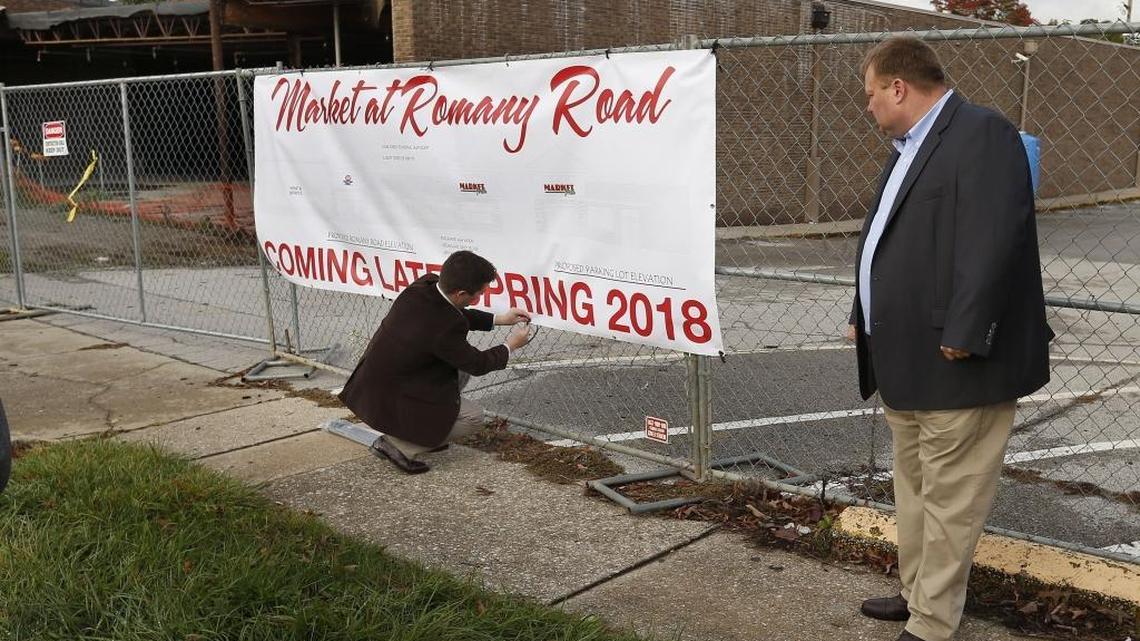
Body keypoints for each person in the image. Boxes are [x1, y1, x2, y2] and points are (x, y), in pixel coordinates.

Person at [846, 37, 1053, 641]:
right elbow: (886, 238)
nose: (870, 108)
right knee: (913, 490)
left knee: (950, 503)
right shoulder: (910, 147)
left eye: (871, 95)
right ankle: (915, 595)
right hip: (906, 359)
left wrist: (968, 328)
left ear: (898, 88)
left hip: (957, 359)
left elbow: (996, 238)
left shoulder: (982, 134)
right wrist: (863, 306)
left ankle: (933, 624)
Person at [339, 250, 532, 474]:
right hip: (393, 395)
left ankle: (424, 430)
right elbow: (478, 363)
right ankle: (400, 445)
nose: (479, 299)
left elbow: (454, 314)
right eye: (478, 294)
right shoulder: (444, 327)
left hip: (375, 383)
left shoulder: (425, 286)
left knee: (459, 373)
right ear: (460, 293)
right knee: (473, 417)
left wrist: (500, 319)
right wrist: (511, 345)